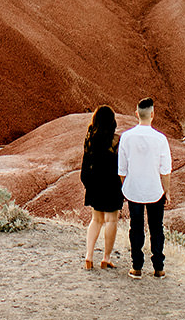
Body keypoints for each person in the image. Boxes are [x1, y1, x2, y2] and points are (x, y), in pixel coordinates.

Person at [117, 97, 171, 278]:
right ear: (153, 114)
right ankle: (159, 268)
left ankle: (137, 267)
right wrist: (167, 191)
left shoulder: (126, 137)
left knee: (136, 228)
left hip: (134, 190)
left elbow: (122, 169)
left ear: (136, 114)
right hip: (155, 190)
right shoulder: (161, 139)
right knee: (157, 228)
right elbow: (165, 170)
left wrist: (127, 187)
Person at [80, 105, 123, 269]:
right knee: (111, 220)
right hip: (112, 184)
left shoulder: (89, 138)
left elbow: (86, 162)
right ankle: (106, 258)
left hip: (94, 183)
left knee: (96, 220)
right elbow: (121, 165)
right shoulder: (117, 140)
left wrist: (87, 182)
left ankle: (88, 257)